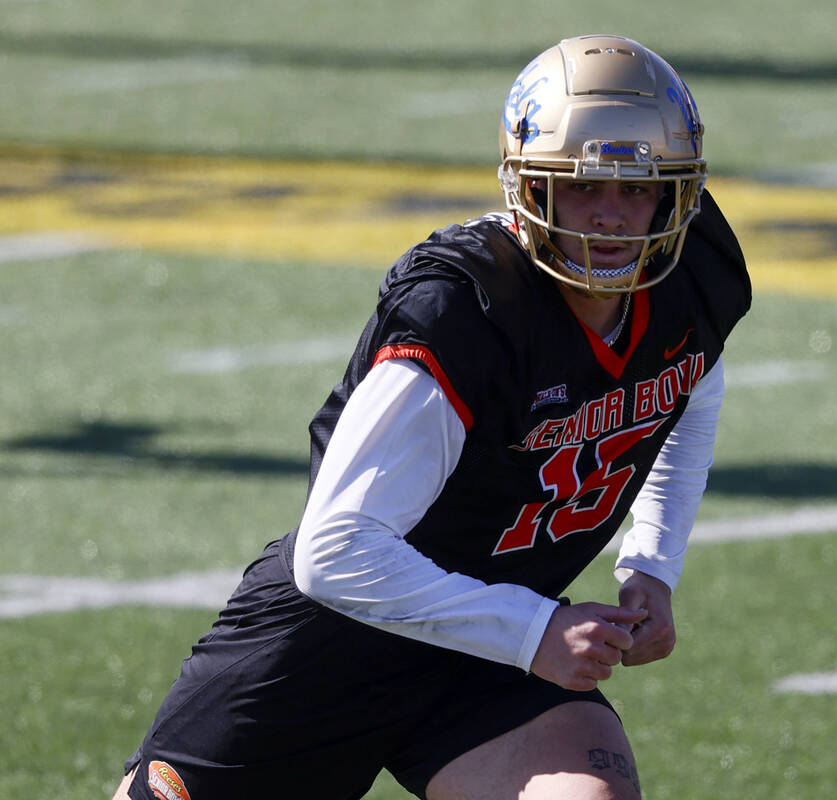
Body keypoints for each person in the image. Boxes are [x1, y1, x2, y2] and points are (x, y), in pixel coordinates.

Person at [112, 33, 750, 800]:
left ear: (677, 192)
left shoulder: (691, 278)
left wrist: (651, 562)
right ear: (530, 186)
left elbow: (690, 386)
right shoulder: (466, 310)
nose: (612, 217)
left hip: (488, 658)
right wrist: (531, 630)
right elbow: (335, 551)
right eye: (583, 187)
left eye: (637, 188)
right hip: (335, 643)